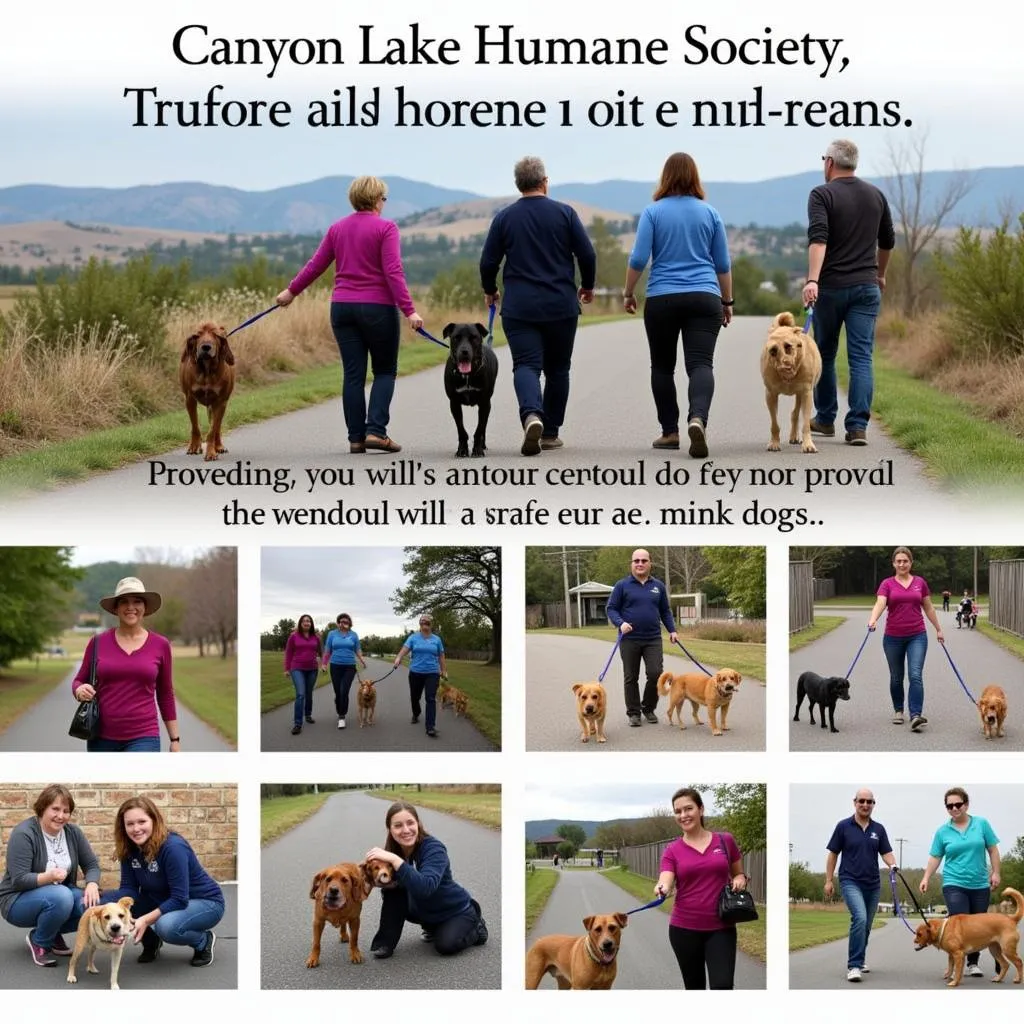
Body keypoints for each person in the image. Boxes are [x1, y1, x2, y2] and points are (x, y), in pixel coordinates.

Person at [275, 175, 423, 454]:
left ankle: (356, 438)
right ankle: (376, 431)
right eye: (384, 198)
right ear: (377, 199)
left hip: (342, 308)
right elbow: (393, 272)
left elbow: (315, 265)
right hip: (378, 308)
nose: (384, 203)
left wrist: (291, 292)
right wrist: (410, 310)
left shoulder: (337, 228)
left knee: (353, 374)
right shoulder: (386, 228)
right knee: (384, 371)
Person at [479, 156, 596, 455]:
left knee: (526, 365)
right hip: (560, 305)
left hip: (520, 308)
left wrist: (490, 290)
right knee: (558, 369)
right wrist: (588, 286)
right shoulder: (565, 214)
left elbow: (488, 261)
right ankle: (550, 433)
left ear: (519, 185)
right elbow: (587, 255)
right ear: (545, 182)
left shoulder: (504, 218)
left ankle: (532, 415)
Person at [623, 152, 734, 458]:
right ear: (694, 177)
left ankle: (670, 432)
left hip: (662, 298)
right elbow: (723, 264)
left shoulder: (653, 212)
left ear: (665, 177)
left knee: (662, 367)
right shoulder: (710, 213)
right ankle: (697, 418)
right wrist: (727, 301)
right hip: (704, 296)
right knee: (700, 364)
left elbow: (638, 258)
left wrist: (628, 292)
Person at [802, 138, 896, 446]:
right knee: (861, 357)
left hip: (830, 288)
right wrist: (880, 274)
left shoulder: (822, 195)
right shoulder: (876, 196)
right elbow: (888, 241)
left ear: (829, 162)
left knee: (825, 354)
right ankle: (857, 427)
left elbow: (819, 239)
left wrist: (812, 280)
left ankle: (826, 419)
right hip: (866, 288)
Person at [103, 795, 224, 968]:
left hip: (205, 902)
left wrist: (144, 920)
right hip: (164, 899)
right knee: (126, 904)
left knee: (166, 926)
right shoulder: (128, 848)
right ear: (123, 827)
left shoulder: (173, 847)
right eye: (130, 824)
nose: (136, 828)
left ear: (154, 820)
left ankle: (203, 941)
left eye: (142, 821)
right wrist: (101, 902)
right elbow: (128, 890)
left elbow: (179, 898)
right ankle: (152, 943)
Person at [365, 801, 487, 959]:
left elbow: (426, 887)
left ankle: (477, 929)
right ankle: (385, 943)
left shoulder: (434, 848)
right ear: (390, 829)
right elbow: (384, 882)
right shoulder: (393, 852)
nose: (406, 830)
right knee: (393, 890)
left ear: (418, 824)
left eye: (410, 823)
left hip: (455, 910)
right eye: (398, 825)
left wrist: (396, 860)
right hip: (425, 908)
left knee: (445, 945)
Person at [72, 576, 179, 752]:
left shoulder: (161, 645)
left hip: (144, 736)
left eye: (137, 601)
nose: (131, 607)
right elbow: (78, 681)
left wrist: (175, 739)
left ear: (145, 607)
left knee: (135, 780)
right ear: (116, 608)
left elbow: (166, 693)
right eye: (124, 602)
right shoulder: (97, 642)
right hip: (100, 737)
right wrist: (79, 690)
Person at [655, 787, 747, 990]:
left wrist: (740, 878)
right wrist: (663, 888)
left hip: (721, 928)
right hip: (683, 929)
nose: (683, 815)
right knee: (694, 988)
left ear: (701, 809)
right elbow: (666, 878)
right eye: (678, 811)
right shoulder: (672, 850)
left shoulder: (725, 840)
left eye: (688, 809)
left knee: (722, 986)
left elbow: (738, 872)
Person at [0, 784, 101, 967]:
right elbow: (19, 879)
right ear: (42, 808)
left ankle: (50, 932)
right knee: (61, 896)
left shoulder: (73, 833)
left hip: (59, 894)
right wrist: (49, 876)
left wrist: (92, 883)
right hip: (17, 899)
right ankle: (39, 941)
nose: (61, 816)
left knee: (91, 905)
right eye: (55, 809)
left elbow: (91, 865)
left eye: (66, 811)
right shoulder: (24, 833)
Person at [918, 787, 1000, 979]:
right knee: (958, 923)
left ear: (966, 804)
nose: (954, 808)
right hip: (954, 883)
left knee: (977, 926)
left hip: (980, 884)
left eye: (958, 804)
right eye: (949, 806)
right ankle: (957, 963)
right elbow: (935, 857)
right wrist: (926, 877)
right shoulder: (943, 831)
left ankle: (973, 963)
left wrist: (996, 872)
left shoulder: (981, 824)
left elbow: (993, 850)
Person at [867, 546, 944, 732]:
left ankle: (916, 715)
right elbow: (881, 602)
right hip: (892, 637)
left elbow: (929, 608)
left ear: (911, 563)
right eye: (899, 561)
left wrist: (939, 629)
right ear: (894, 563)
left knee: (915, 675)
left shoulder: (920, 582)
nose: (902, 564)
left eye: (905, 561)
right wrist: (873, 619)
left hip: (917, 635)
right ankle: (898, 710)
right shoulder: (887, 583)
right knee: (896, 677)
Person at [824, 788, 897, 983]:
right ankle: (854, 965)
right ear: (854, 802)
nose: (865, 805)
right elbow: (833, 854)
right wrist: (829, 880)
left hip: (873, 884)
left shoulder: (878, 829)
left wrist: (893, 864)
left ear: (874, 804)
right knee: (860, 918)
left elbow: (886, 852)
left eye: (869, 802)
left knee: (866, 925)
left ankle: (861, 959)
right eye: (861, 801)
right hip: (850, 880)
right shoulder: (843, 826)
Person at [606, 548, 678, 727]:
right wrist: (620, 623)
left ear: (649, 563)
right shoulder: (622, 585)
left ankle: (648, 708)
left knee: (655, 674)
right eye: (636, 561)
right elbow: (611, 608)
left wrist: (672, 630)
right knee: (631, 676)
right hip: (629, 639)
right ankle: (633, 713)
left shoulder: (658, 586)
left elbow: (665, 611)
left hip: (653, 639)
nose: (640, 564)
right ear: (631, 564)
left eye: (643, 561)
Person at [393, 614, 447, 738]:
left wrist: (444, 670)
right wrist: (398, 658)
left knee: (430, 698)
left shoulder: (436, 640)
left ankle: (430, 727)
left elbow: (441, 656)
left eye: (427, 622)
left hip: (432, 673)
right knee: (415, 697)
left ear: (430, 624)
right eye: (422, 621)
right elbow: (404, 649)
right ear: (420, 624)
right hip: (416, 672)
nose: (424, 623)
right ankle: (416, 713)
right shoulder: (413, 638)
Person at [322, 613, 368, 731]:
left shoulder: (353, 635)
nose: (344, 623)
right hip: (335, 666)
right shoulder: (332, 634)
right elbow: (327, 649)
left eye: (346, 621)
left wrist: (362, 660)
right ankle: (339, 706)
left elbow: (357, 649)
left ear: (349, 623)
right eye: (341, 621)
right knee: (338, 692)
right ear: (338, 623)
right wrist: (324, 664)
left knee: (344, 690)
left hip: (349, 666)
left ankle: (342, 716)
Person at [283, 614, 322, 736]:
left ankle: (308, 714)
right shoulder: (293, 637)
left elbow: (321, 651)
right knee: (300, 694)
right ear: (300, 623)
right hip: (297, 668)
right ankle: (298, 723)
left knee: (309, 693)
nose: (306, 623)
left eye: (309, 621)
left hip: (312, 669)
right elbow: (288, 653)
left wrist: (322, 663)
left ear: (311, 624)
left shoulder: (315, 637)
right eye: (304, 621)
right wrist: (287, 669)